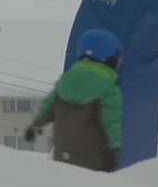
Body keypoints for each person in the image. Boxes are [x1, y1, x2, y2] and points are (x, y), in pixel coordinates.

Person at [26, 29, 123, 172]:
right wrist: (115, 150)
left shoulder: (64, 82)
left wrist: (34, 126)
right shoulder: (109, 89)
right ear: (109, 58)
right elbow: (111, 122)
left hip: (62, 158)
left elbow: (47, 109)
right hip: (94, 162)